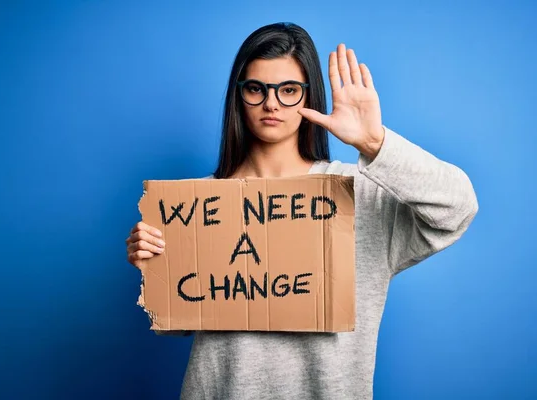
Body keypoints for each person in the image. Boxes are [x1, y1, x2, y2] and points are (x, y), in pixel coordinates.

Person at [125, 22, 478, 400]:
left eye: (288, 90)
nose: (271, 103)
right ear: (238, 96)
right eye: (256, 89)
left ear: (309, 96)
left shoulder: (359, 197)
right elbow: (177, 325)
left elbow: (457, 208)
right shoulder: (196, 207)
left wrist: (375, 143)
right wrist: (155, 268)